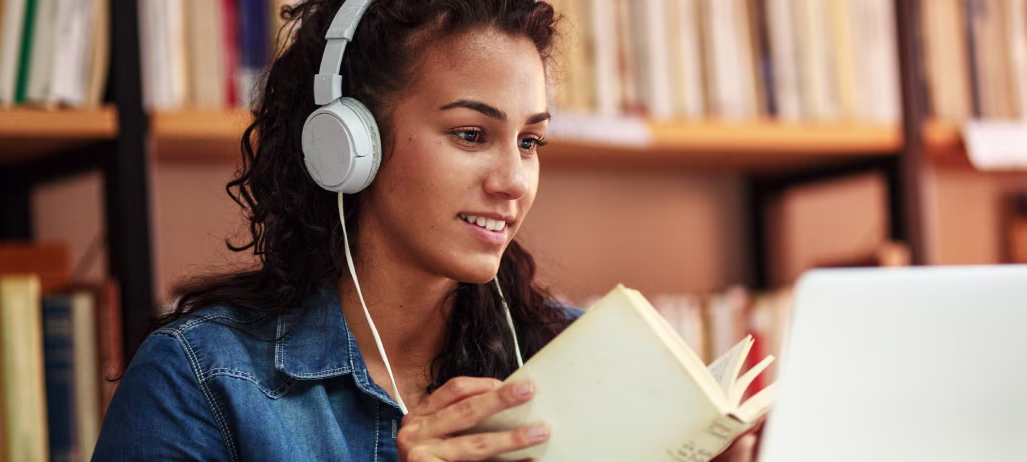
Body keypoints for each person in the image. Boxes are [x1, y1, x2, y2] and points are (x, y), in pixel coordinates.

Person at [93, 0, 757, 460]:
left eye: (529, 142)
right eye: (472, 135)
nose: (512, 180)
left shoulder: (585, 361)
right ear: (350, 144)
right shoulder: (201, 382)